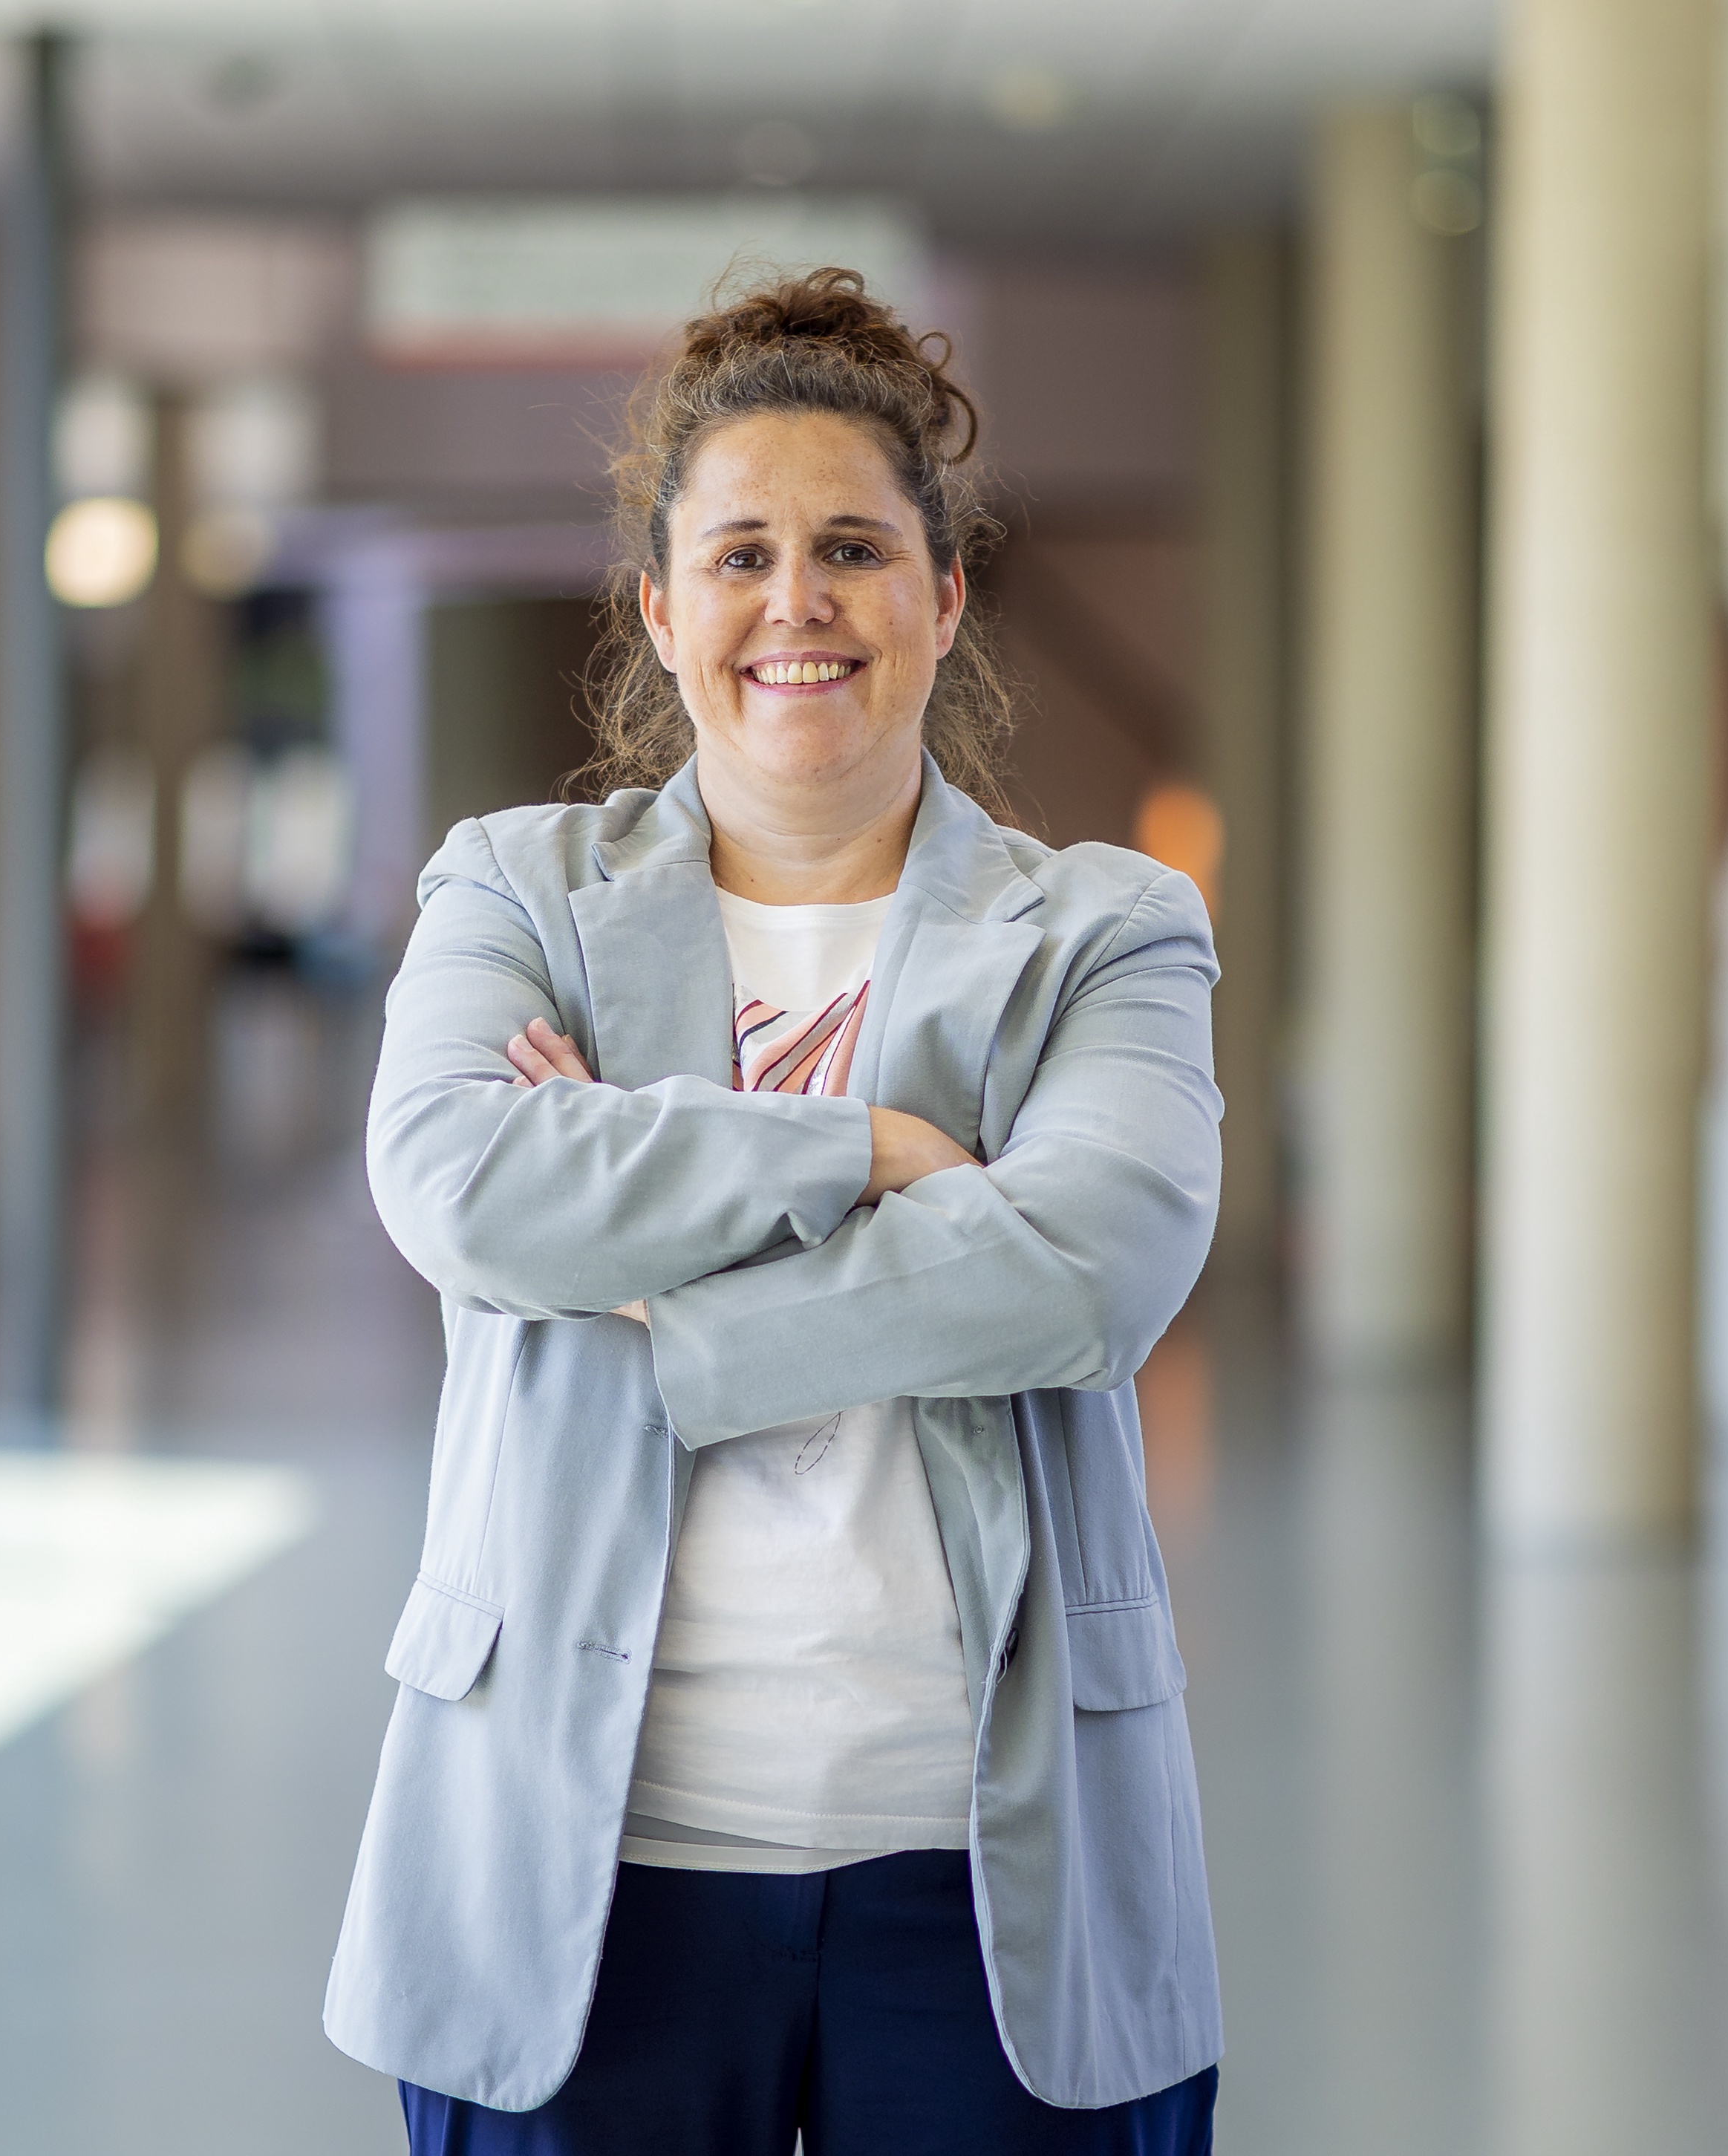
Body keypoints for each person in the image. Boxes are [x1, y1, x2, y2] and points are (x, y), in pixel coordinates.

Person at [326, 267, 1224, 2154]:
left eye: (850, 547)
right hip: (586, 1877)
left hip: (988, 1879)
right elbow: (462, 1182)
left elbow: (1088, 1268)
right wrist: (865, 1154)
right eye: (737, 554)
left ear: (941, 594)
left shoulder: (1104, 929)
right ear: (659, 612)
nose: (793, 602)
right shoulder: (519, 892)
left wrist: (661, 1300)